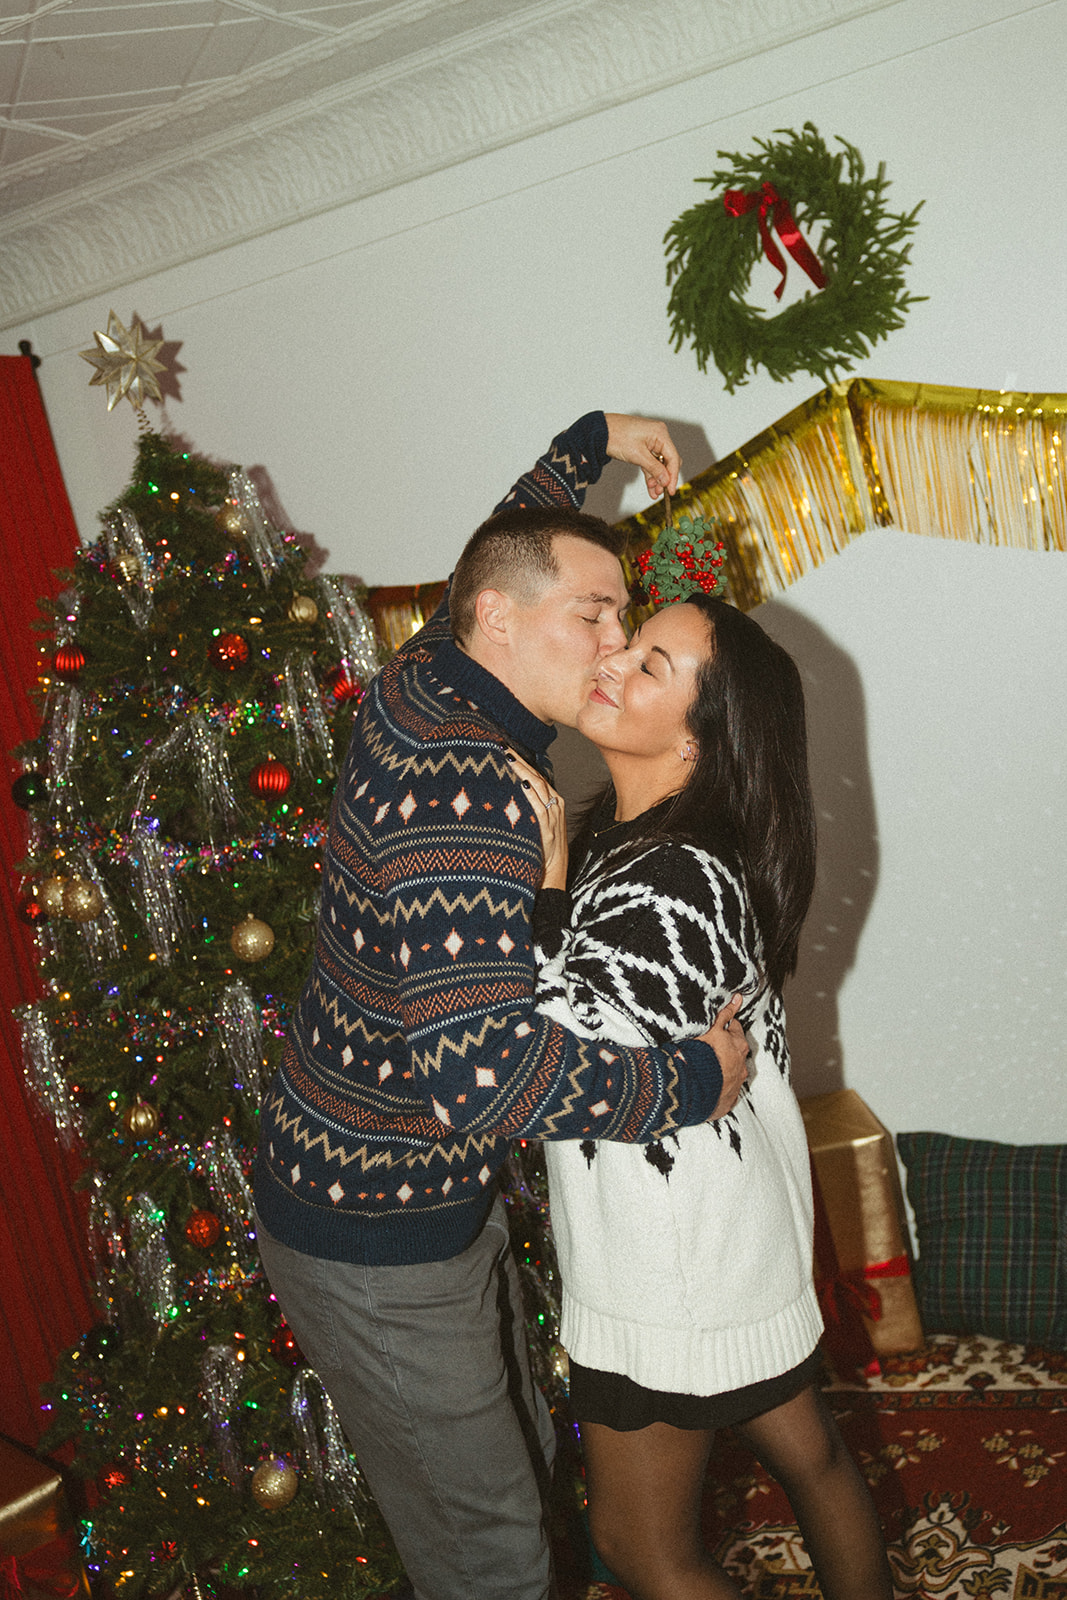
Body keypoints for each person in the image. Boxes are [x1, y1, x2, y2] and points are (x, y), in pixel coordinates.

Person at [252, 411, 750, 1600]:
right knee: (492, 1556)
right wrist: (689, 1079)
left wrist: (589, 443)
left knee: (512, 1480)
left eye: (621, 619)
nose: (611, 643)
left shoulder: (428, 673)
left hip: (390, 1192)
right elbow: (482, 1079)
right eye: (595, 615)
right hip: (375, 1233)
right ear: (499, 622)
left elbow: (506, 545)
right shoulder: (465, 785)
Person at [512, 594, 894, 1600]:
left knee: (642, 1547)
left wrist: (545, 895)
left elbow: (546, 1073)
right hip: (730, 1233)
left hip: (668, 1265)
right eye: (630, 644)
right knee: (809, 1455)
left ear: (697, 737)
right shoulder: (657, 844)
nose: (611, 661)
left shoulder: (669, 878)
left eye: (649, 665)